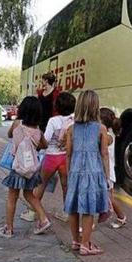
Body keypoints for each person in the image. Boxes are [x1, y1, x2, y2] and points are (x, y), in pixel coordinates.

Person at [64, 90, 110, 256]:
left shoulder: (71, 129)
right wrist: (107, 177)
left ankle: (76, 241)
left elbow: (68, 154)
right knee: (89, 208)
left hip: (75, 172)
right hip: (93, 171)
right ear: (95, 107)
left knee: (74, 207)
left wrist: (69, 174)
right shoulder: (101, 129)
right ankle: (86, 244)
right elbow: (104, 154)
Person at [0, 96, 52, 238]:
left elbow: (10, 134)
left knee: (12, 196)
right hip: (32, 169)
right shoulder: (38, 130)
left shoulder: (17, 124)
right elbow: (44, 145)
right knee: (29, 194)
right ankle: (43, 219)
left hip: (18, 167)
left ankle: (9, 228)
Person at [29, 92, 76, 222]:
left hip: (51, 156)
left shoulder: (53, 120)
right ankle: (67, 213)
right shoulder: (75, 119)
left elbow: (47, 139)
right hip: (66, 157)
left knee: (41, 184)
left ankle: (33, 212)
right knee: (66, 185)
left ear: (57, 106)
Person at [100, 107, 127, 229]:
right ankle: (120, 217)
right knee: (108, 197)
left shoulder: (108, 136)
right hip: (104, 170)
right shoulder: (108, 134)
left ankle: (121, 217)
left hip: (107, 171)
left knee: (109, 198)